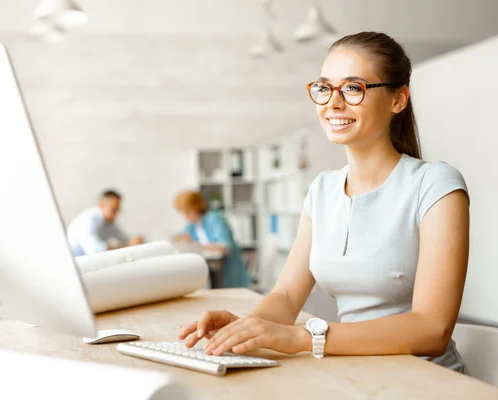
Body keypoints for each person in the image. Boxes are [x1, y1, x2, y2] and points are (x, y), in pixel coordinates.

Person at [178, 32, 470, 373]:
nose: (333, 102)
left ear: (398, 100)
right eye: (323, 87)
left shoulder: (435, 185)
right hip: (354, 376)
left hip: (429, 383)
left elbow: (431, 329)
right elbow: (286, 297)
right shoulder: (322, 190)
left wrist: (305, 338)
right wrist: (245, 328)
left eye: (353, 87)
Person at [172, 190, 250, 289]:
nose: (185, 215)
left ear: (196, 207)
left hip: (227, 271)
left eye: (188, 210)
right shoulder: (192, 226)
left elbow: (225, 246)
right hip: (209, 270)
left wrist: (194, 244)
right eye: (182, 211)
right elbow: (179, 238)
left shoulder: (214, 218)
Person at [67, 190, 144, 257]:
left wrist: (135, 241)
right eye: (113, 210)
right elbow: (97, 250)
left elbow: (125, 239)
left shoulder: (110, 222)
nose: (116, 214)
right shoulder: (89, 220)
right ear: (102, 205)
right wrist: (128, 245)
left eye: (118, 210)